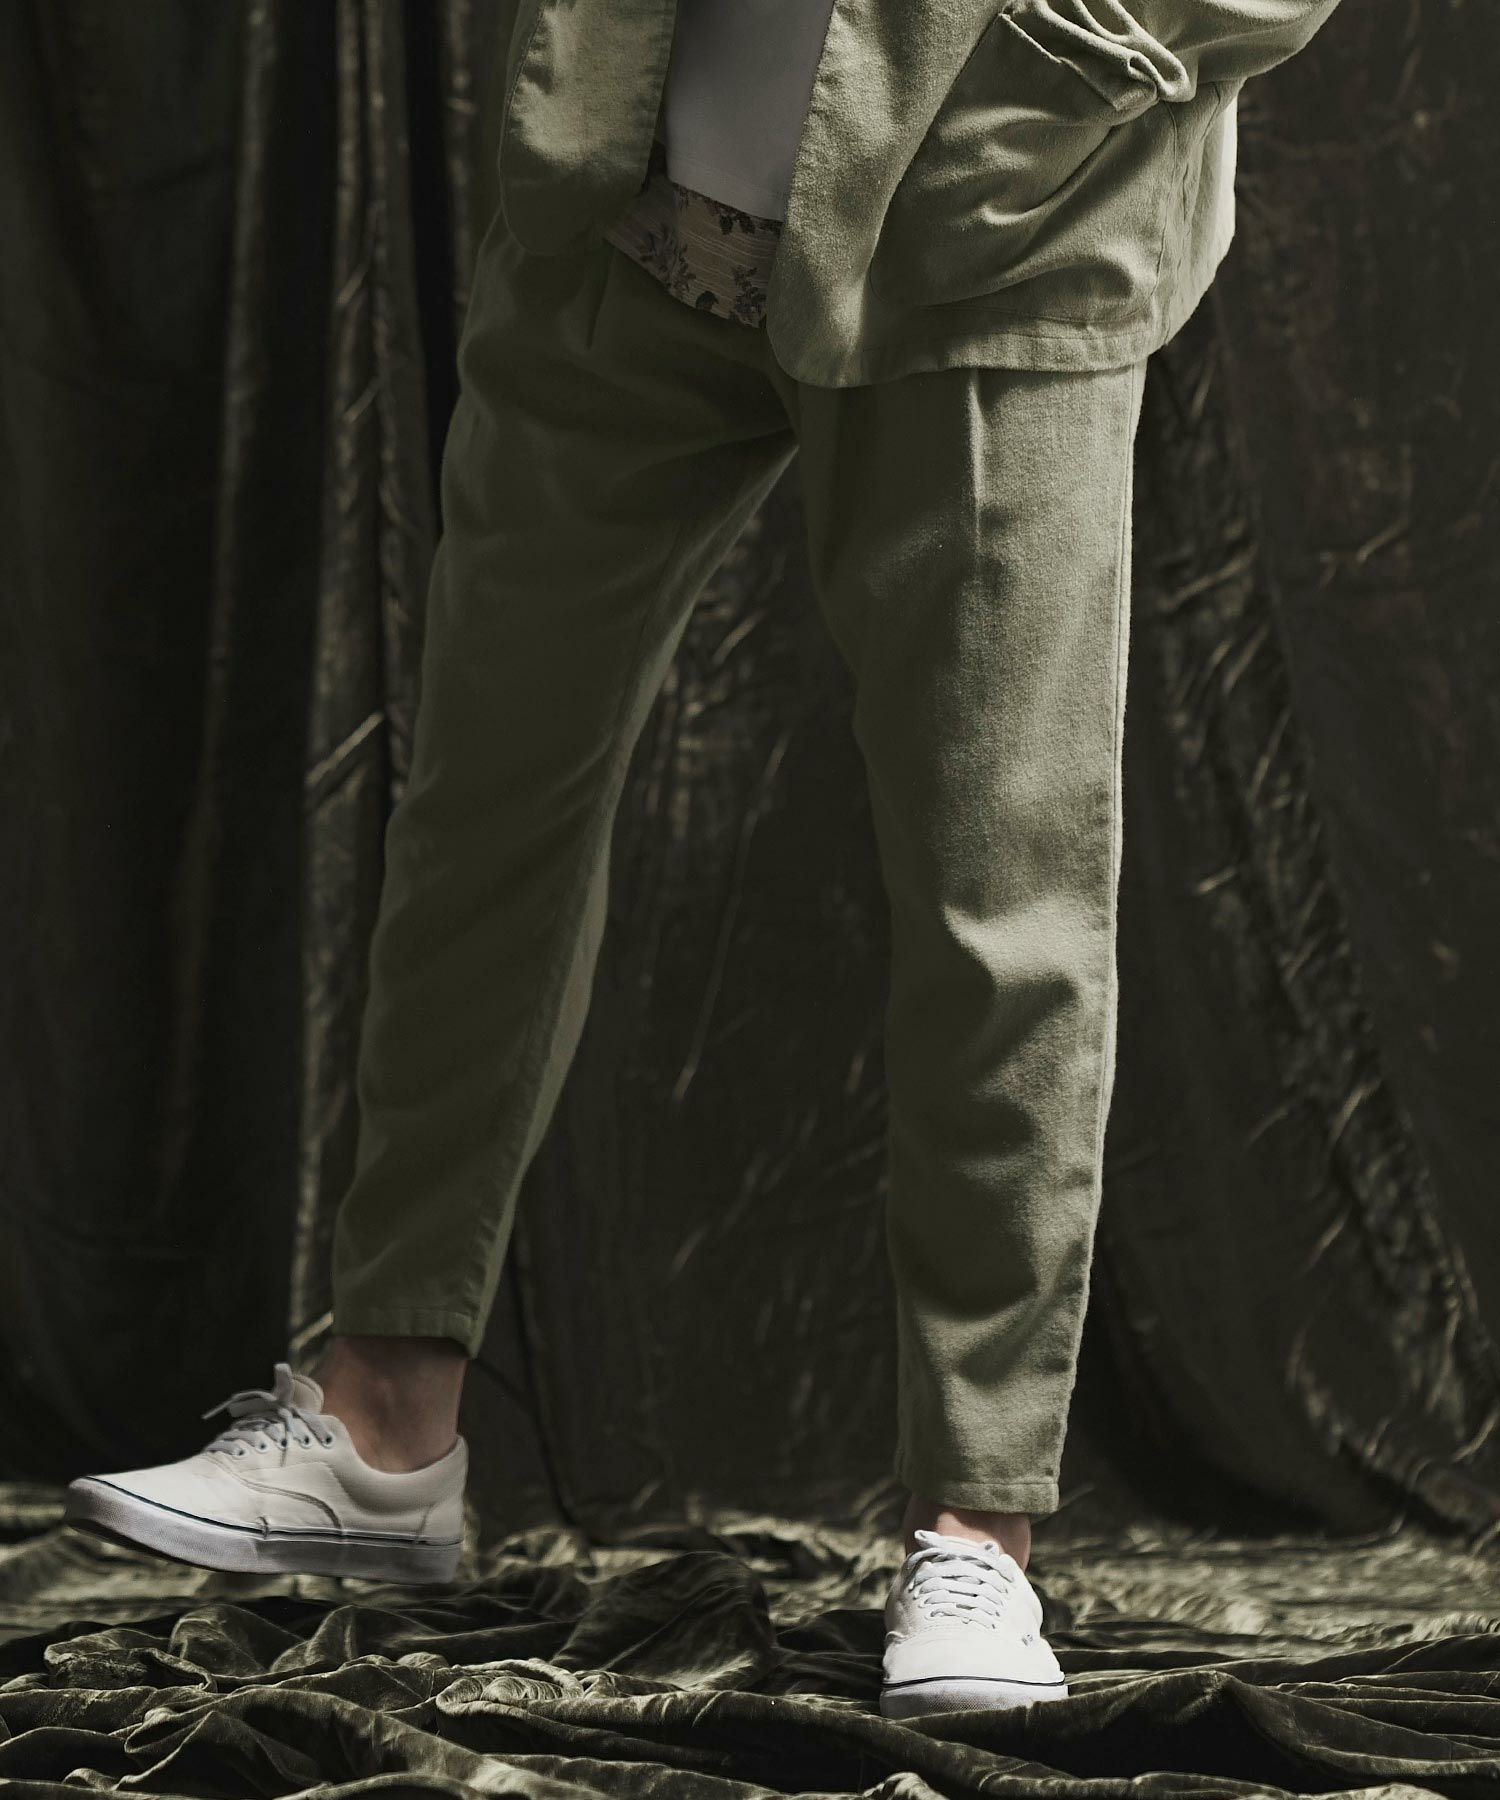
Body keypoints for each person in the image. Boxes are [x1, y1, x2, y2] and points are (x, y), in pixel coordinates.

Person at [65, 0, 1344, 1719]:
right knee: (482, 814)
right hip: (635, 208)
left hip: (983, 237)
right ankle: (381, 1428)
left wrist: (1079, 58)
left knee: (998, 895)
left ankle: (979, 1527)